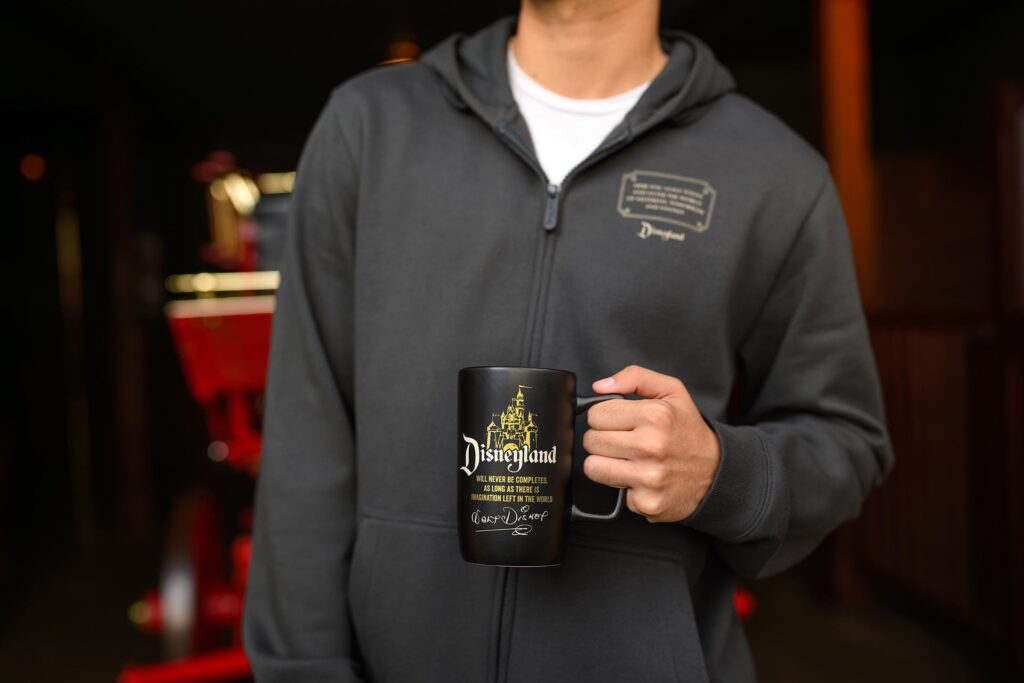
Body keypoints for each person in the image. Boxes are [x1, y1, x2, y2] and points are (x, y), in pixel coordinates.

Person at [242, 1, 894, 681]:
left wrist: (720, 474)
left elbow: (847, 439)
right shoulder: (371, 126)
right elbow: (305, 433)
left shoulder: (775, 172)